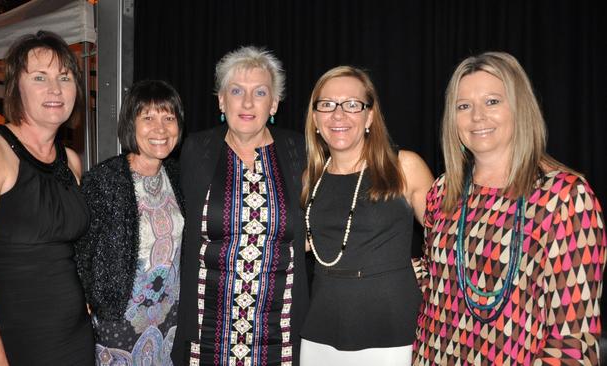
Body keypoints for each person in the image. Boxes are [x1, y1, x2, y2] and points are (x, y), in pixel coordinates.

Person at [412, 52, 606, 365]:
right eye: (464, 106)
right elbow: (436, 284)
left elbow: (573, 342)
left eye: (492, 101)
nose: (477, 116)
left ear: (520, 109)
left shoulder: (564, 197)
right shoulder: (444, 190)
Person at [0, 30, 94, 365]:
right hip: (12, 341)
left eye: (64, 77)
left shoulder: (71, 161)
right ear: (15, 87)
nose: (55, 89)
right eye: (39, 77)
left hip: (72, 340)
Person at [172, 46, 309, 365]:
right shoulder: (196, 150)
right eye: (237, 91)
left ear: (274, 103)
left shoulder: (299, 151)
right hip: (207, 334)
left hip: (281, 334)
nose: (247, 103)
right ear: (222, 100)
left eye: (260, 92)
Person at [299, 66, 434, 365]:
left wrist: (424, 272)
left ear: (369, 116)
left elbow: (449, 242)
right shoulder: (309, 178)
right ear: (315, 118)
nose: (338, 114)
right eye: (327, 104)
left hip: (392, 329)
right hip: (320, 329)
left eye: (352, 104)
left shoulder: (404, 166)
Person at [74, 80, 185, 365]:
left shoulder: (179, 176)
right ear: (130, 124)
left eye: (168, 118)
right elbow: (79, 249)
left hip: (171, 316)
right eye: (148, 117)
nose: (160, 129)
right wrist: (90, 302)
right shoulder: (103, 181)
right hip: (120, 319)